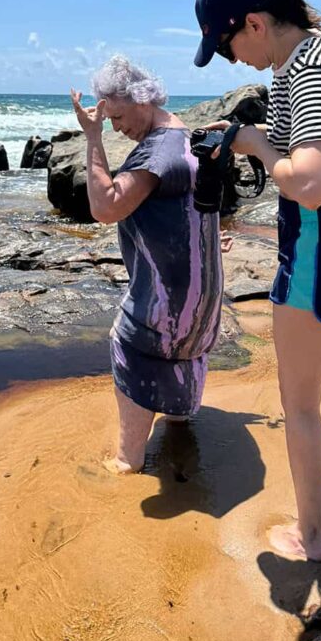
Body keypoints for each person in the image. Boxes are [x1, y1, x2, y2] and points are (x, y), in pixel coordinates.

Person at [193, 0, 321, 561]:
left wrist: (255, 145)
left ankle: (311, 537)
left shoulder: (309, 70)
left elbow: (310, 181)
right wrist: (249, 137)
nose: (232, 61)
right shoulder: (319, 50)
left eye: (227, 47)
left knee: (298, 400)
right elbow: (314, 152)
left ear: (253, 23)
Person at [71, 55, 223, 474]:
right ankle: (178, 419)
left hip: (168, 304)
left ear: (143, 99)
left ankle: (127, 459)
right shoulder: (188, 137)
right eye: (108, 122)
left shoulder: (157, 153)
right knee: (184, 352)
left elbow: (106, 207)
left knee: (129, 342)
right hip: (202, 299)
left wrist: (92, 138)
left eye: (117, 117)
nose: (116, 127)